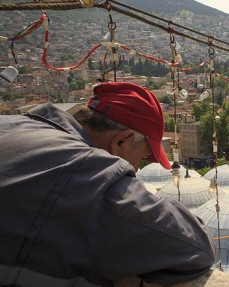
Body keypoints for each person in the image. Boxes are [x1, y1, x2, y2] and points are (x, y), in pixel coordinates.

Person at [0, 82, 215, 287]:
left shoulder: (11, 124)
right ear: (122, 140)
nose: (138, 169)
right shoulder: (91, 175)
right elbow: (195, 247)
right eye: (142, 157)